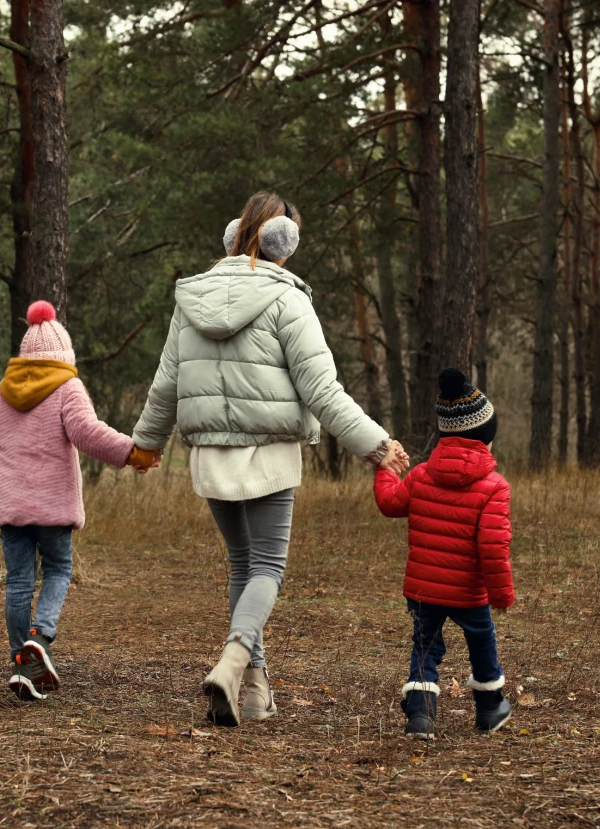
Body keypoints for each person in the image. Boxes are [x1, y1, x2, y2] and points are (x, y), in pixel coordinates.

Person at [132, 189, 410, 727]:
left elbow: (166, 384)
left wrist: (146, 444)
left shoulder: (191, 299)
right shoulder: (289, 299)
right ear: (286, 241)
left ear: (236, 234)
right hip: (270, 455)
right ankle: (235, 659)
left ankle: (254, 692)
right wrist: (377, 444)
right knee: (267, 566)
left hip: (210, 456)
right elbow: (323, 391)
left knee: (242, 563)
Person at [0, 301, 159, 700]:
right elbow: (88, 433)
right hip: (53, 508)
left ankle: (20, 660)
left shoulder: (3, 390)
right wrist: (131, 452)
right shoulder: (68, 388)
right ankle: (40, 637)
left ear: (25, 355)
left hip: (12, 507)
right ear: (64, 355)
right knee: (59, 569)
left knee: (19, 581)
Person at [373, 368, 515, 739]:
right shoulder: (494, 487)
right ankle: (489, 707)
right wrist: (501, 594)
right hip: (469, 592)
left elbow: (389, 503)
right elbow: (493, 548)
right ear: (486, 435)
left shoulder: (420, 476)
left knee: (425, 647)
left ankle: (420, 715)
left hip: (424, 590)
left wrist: (386, 470)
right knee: (482, 643)